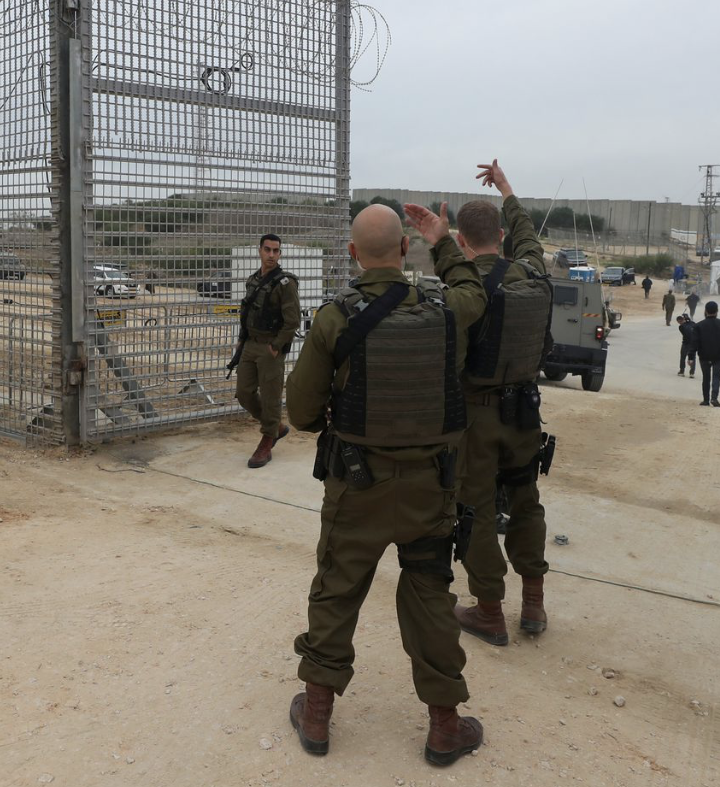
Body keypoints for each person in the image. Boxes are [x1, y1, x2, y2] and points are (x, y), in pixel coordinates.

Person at [284, 200, 487, 766]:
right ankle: (444, 726)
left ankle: (317, 714)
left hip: (358, 487)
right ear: (404, 249)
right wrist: (442, 241)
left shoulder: (334, 318)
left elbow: (301, 413)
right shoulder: (448, 312)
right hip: (431, 489)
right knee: (430, 595)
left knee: (338, 588)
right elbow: (474, 290)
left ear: (352, 253)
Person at [450, 161, 552, 652]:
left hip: (477, 417)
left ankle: (489, 610)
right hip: (525, 413)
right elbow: (528, 235)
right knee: (526, 500)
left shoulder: (466, 287)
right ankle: (533, 602)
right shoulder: (531, 271)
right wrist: (506, 186)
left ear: (463, 242)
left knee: (477, 510)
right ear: (502, 236)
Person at [233, 233, 301, 468]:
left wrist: (276, 346)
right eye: (267, 250)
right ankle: (276, 427)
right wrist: (241, 339)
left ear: (280, 254)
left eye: (276, 251)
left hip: (270, 346)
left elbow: (292, 321)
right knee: (244, 393)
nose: (271, 255)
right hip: (251, 344)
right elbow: (247, 313)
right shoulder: (253, 280)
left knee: (271, 397)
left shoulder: (285, 284)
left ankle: (267, 440)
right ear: (260, 250)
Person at [694, 301, 720, 406]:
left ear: (705, 311)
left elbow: (694, 342)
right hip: (719, 356)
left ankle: (706, 400)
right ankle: (714, 398)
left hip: (704, 356)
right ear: (717, 311)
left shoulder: (699, 325)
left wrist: (691, 356)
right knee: (716, 377)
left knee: (706, 378)